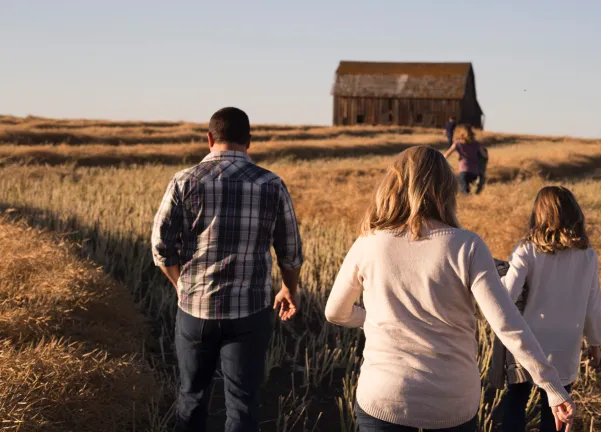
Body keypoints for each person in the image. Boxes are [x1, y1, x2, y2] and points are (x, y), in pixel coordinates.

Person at [324, 146, 575, 432]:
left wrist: (374, 318)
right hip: (452, 403)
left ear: (393, 184)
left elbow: (335, 312)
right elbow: (506, 324)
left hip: (384, 397)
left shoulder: (368, 242)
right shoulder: (467, 246)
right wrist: (551, 386)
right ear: (446, 189)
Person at [151, 107, 303, 432]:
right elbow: (290, 251)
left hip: (195, 310)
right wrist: (290, 288)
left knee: (191, 398)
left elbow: (160, 247)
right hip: (250, 313)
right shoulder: (271, 184)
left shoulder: (183, 181)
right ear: (249, 142)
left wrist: (181, 285)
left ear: (209, 139)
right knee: (244, 404)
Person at [489, 186, 601, 432]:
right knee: (558, 410)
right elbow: (593, 302)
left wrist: (494, 275)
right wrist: (595, 342)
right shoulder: (587, 255)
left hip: (529, 343)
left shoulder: (527, 249)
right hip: (566, 346)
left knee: (516, 400)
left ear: (538, 215)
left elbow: (506, 295)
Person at [444, 124, 482, 194]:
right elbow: (484, 154)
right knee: (471, 191)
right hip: (474, 172)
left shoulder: (457, 143)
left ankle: (468, 203)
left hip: (464, 170)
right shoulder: (477, 144)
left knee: (464, 192)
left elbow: (446, 154)